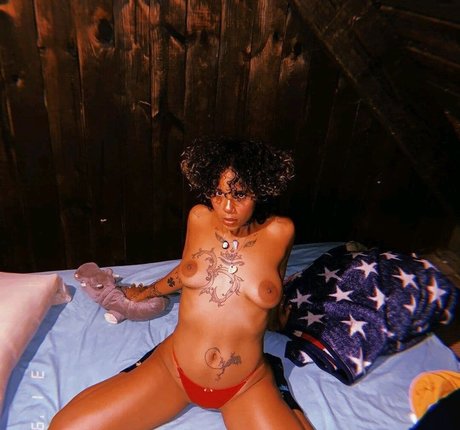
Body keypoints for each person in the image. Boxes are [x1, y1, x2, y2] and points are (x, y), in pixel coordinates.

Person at [49, 136, 313, 430]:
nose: (226, 207)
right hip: (174, 370)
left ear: (260, 190)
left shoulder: (280, 232)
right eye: (217, 192)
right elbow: (186, 271)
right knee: (65, 427)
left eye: (239, 195)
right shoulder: (199, 218)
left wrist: (275, 319)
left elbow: (273, 282)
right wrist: (145, 292)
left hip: (244, 384)